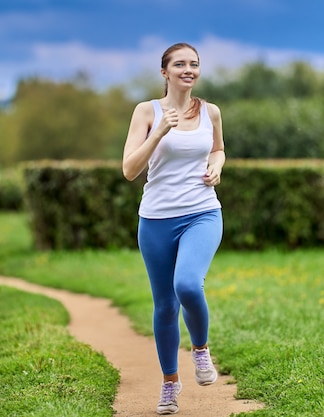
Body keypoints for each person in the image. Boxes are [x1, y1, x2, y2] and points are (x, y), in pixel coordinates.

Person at [122, 42, 225, 415]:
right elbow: (129, 169)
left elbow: (218, 148)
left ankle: (200, 350)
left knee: (187, 284)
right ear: (164, 72)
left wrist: (217, 165)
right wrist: (158, 132)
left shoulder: (210, 111)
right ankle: (169, 385)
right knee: (165, 305)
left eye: (194, 64)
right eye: (179, 64)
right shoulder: (145, 112)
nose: (188, 70)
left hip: (202, 213)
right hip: (155, 220)